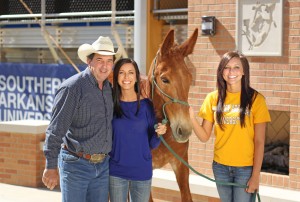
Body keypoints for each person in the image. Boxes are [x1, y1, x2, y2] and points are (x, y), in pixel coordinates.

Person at [42, 36, 119, 202]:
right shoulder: (72, 88)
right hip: (76, 165)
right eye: (99, 60)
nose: (105, 66)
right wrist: (50, 165)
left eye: (109, 60)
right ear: (89, 61)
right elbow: (55, 130)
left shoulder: (109, 89)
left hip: (103, 166)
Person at [189, 51, 271, 202]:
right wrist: (191, 118)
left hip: (245, 169)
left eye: (236, 67)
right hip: (220, 168)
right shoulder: (212, 98)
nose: (231, 72)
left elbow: (259, 142)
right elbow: (204, 136)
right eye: (227, 67)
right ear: (221, 72)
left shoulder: (256, 100)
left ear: (244, 71)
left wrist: (255, 176)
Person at [109, 58, 167, 202]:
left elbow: (152, 144)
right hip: (116, 171)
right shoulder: (110, 104)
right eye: (121, 73)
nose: (126, 77)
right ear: (116, 77)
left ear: (136, 77)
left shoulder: (146, 105)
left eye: (131, 73)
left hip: (141, 170)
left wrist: (159, 133)